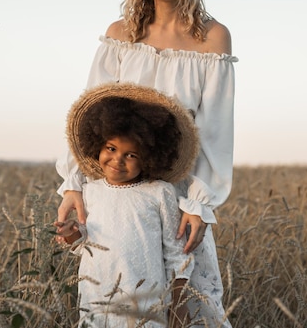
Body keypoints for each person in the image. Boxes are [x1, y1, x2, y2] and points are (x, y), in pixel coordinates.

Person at [56, 0, 237, 327]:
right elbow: (89, 114)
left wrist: (198, 206)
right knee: (118, 301)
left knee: (186, 307)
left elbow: (214, 133)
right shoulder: (121, 35)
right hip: (117, 196)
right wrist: (73, 185)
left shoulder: (213, 38)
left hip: (176, 198)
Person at [54, 82, 200, 328]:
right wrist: (71, 234)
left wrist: (178, 304)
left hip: (146, 306)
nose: (117, 160)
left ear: (151, 157)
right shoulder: (90, 191)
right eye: (111, 148)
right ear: (97, 144)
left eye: (131, 155)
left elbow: (176, 254)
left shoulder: (159, 192)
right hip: (96, 300)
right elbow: (84, 244)